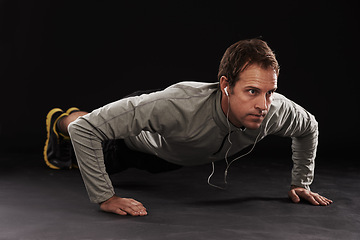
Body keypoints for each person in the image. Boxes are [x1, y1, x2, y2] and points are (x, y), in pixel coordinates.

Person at [43, 39, 333, 216]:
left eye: (270, 92)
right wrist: (105, 197)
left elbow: (309, 128)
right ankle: (61, 119)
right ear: (226, 86)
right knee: (84, 130)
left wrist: (301, 182)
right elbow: (88, 131)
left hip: (171, 155)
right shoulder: (177, 105)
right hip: (132, 141)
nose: (264, 105)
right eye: (252, 91)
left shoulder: (275, 110)